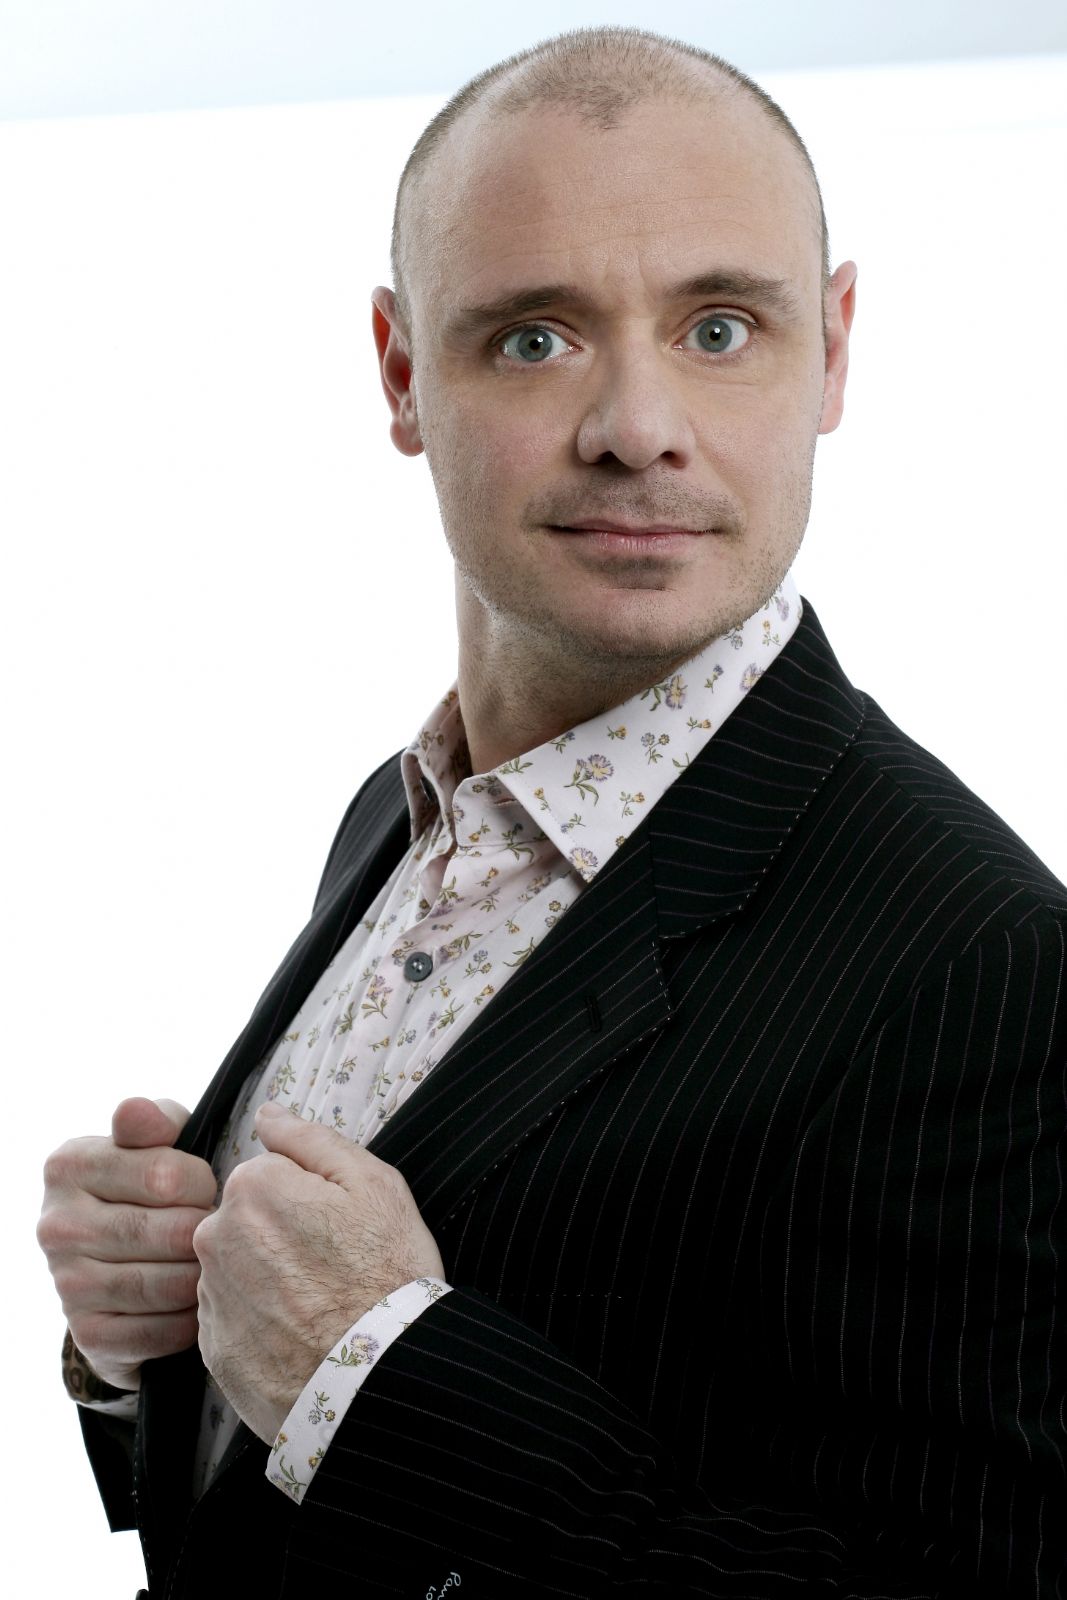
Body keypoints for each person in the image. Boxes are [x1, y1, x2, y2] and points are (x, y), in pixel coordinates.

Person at [38, 24, 1066, 1599]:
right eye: (535, 338)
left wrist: (380, 1380)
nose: (638, 424)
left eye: (720, 328)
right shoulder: (396, 816)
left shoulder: (993, 972)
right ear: (401, 372)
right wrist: (147, 1353)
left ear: (835, 351)